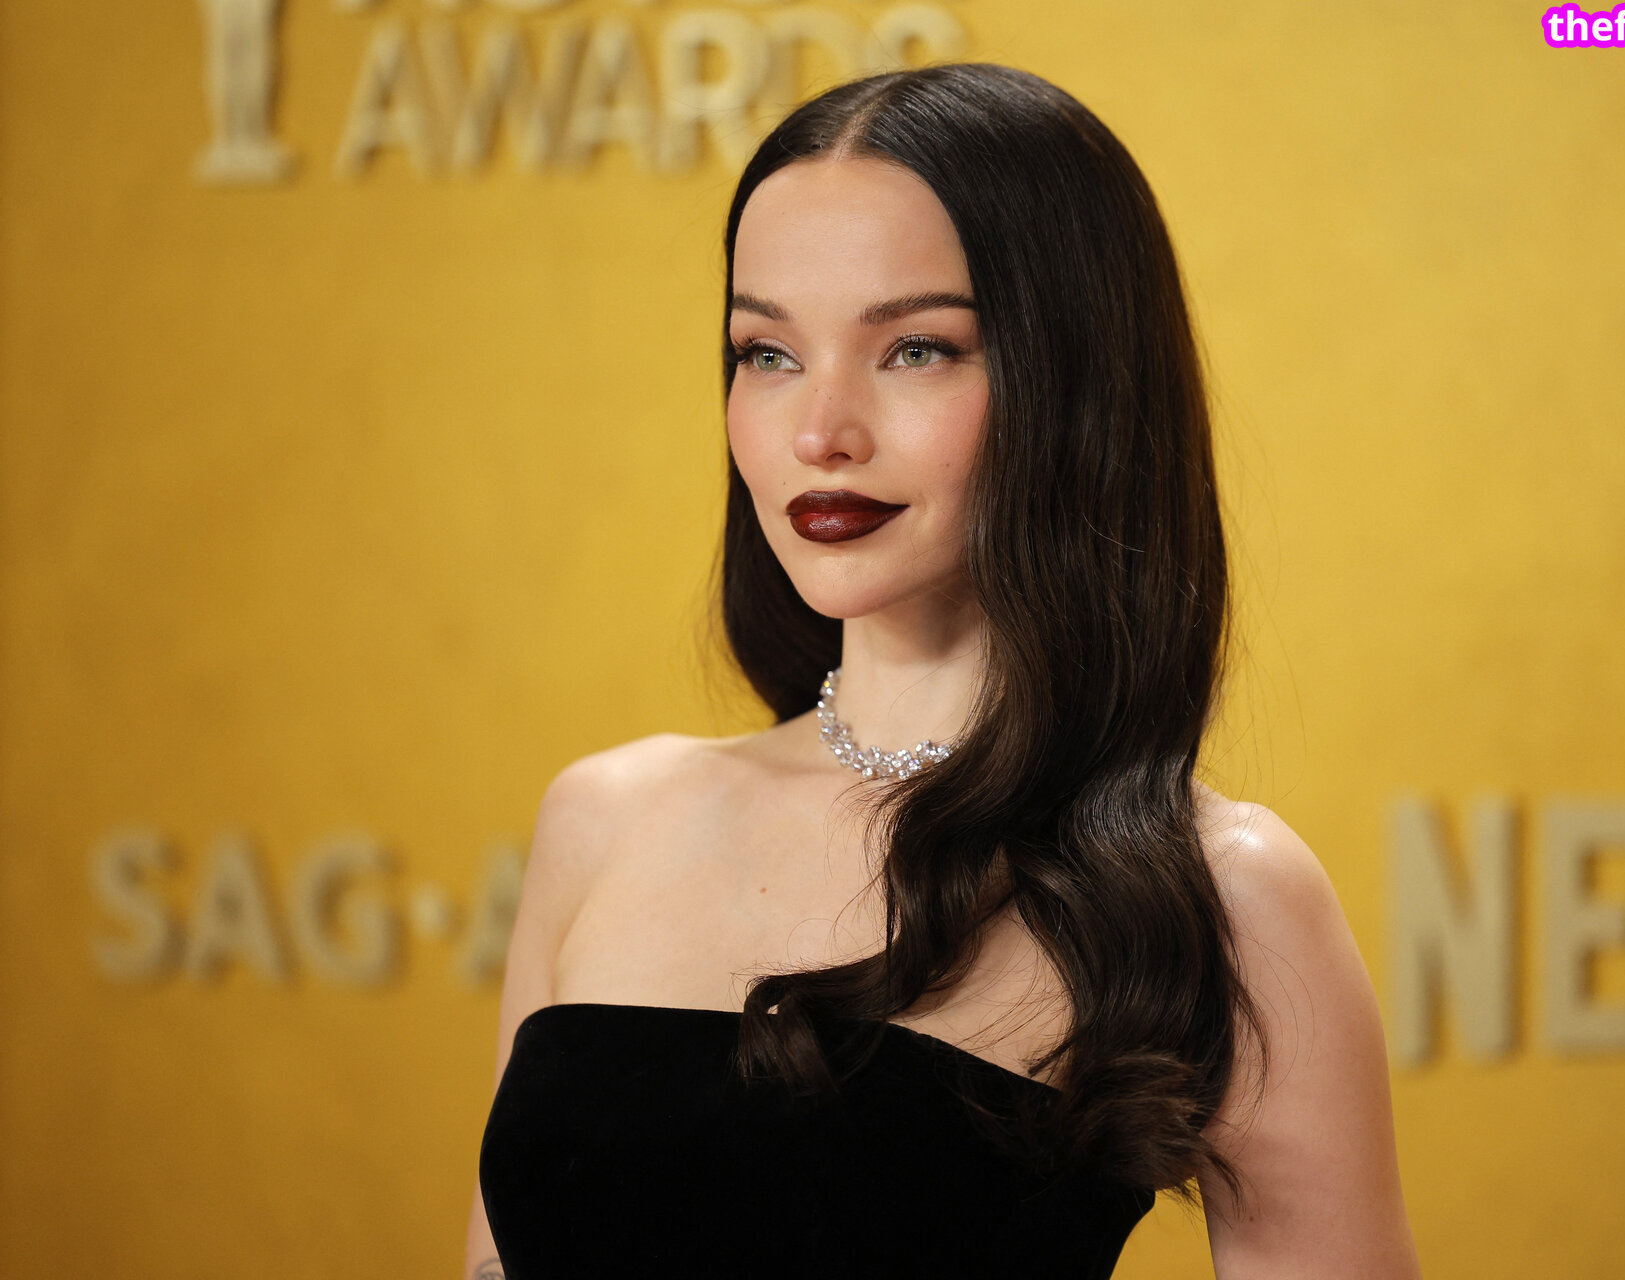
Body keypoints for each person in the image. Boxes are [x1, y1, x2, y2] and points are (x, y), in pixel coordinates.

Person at [465, 62, 1420, 1280]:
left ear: (1077, 382)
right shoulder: (603, 818)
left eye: (915, 348)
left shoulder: (1225, 897)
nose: (821, 431)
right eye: (767, 352)